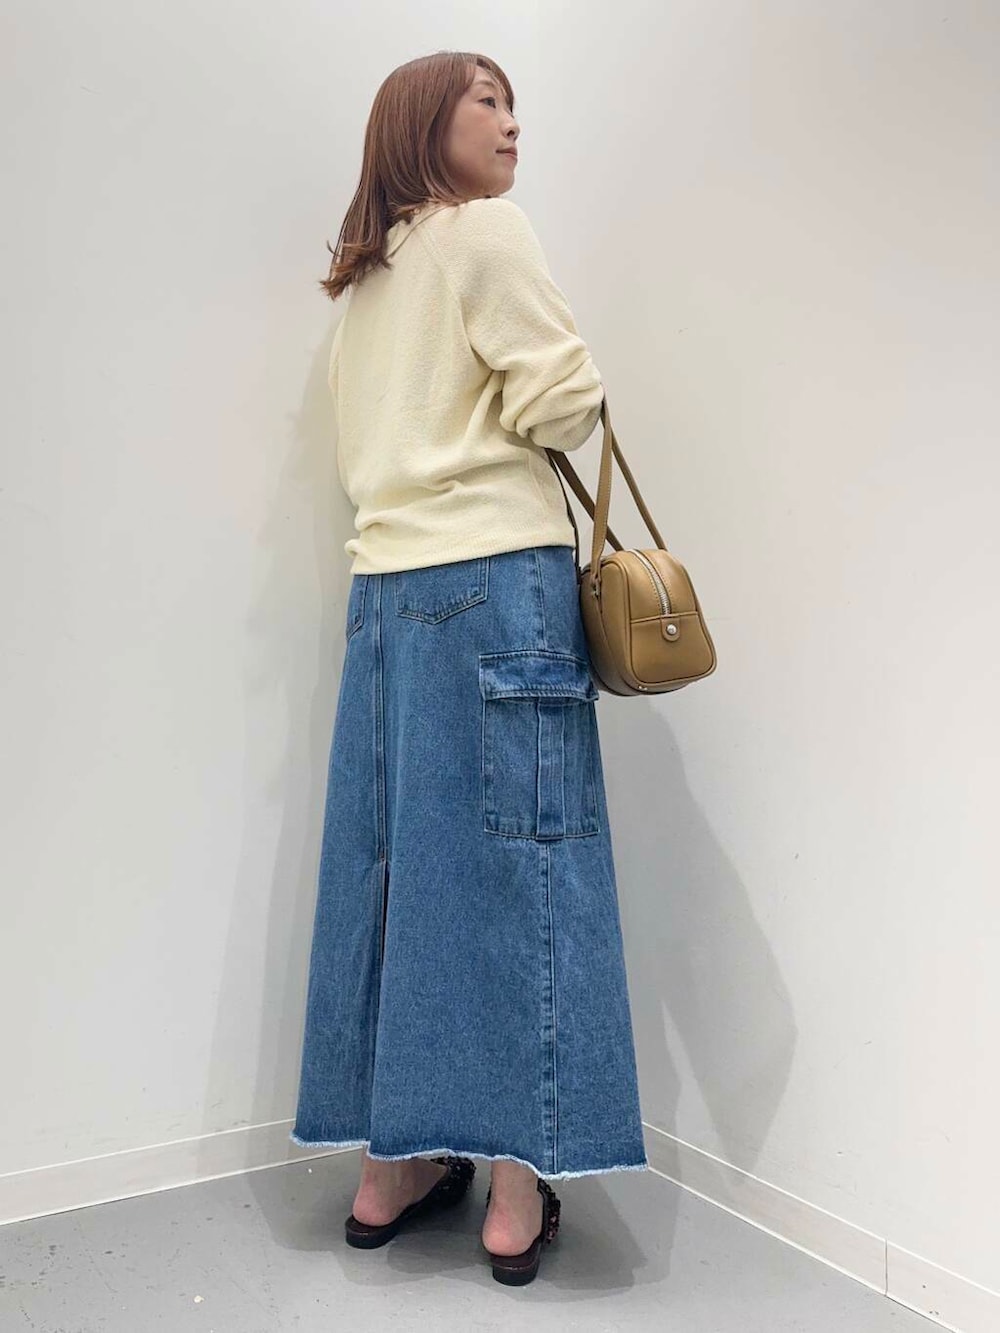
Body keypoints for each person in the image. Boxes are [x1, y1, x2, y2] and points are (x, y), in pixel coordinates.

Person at [290, 50, 648, 1286]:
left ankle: (388, 1170)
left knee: (399, 874)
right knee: (527, 871)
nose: (508, 124)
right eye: (483, 100)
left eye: (512, 105)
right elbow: (564, 409)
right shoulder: (487, 233)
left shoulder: (365, 285)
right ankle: (513, 1186)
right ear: (418, 123)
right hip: (500, 588)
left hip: (385, 602)